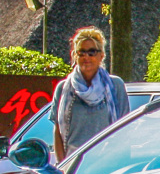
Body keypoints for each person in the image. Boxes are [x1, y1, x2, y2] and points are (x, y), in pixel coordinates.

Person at [51, 27, 129, 160]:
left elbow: (125, 129)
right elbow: (58, 132)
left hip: (107, 163)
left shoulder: (115, 86)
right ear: (75, 56)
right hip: (73, 165)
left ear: (101, 55)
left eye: (92, 52)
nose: (86, 57)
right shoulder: (64, 89)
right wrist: (61, 167)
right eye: (81, 52)